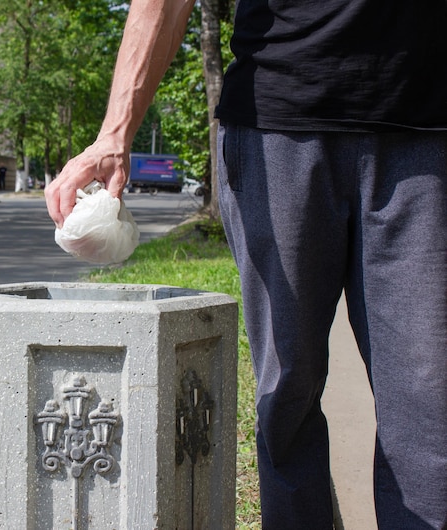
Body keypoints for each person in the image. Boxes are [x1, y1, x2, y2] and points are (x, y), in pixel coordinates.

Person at [45, 1, 447, 528]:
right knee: (287, 395)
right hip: (278, 125)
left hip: (426, 134)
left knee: (429, 405)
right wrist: (116, 132)